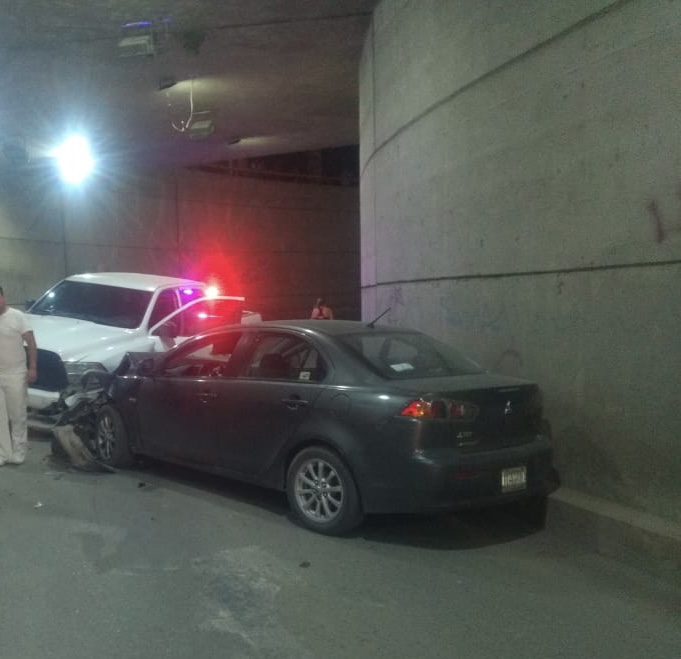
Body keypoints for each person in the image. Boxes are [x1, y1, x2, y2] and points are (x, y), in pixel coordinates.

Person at [0, 286, 37, 465]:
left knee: (17, 415)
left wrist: (32, 368)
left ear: (3, 297)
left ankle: (18, 452)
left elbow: (31, 343)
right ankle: (3, 453)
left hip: (15, 374)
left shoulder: (17, 317)